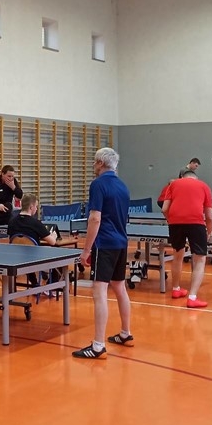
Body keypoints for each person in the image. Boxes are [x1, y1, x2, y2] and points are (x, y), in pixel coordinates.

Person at [73, 148, 132, 360]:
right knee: (119, 287)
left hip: (105, 244)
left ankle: (98, 346)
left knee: (99, 292)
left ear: (100, 163)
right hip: (121, 243)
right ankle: (125, 333)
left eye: (94, 162)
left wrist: (86, 249)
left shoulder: (98, 184)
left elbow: (95, 218)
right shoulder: (123, 186)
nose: (93, 165)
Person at [164, 169, 212, 308]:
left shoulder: (173, 184)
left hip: (175, 223)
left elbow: (164, 209)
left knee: (177, 255)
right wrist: (209, 231)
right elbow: (209, 216)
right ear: (195, 178)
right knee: (200, 259)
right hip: (196, 223)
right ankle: (192, 297)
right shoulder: (203, 186)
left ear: (183, 177)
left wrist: (171, 221)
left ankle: (176, 289)